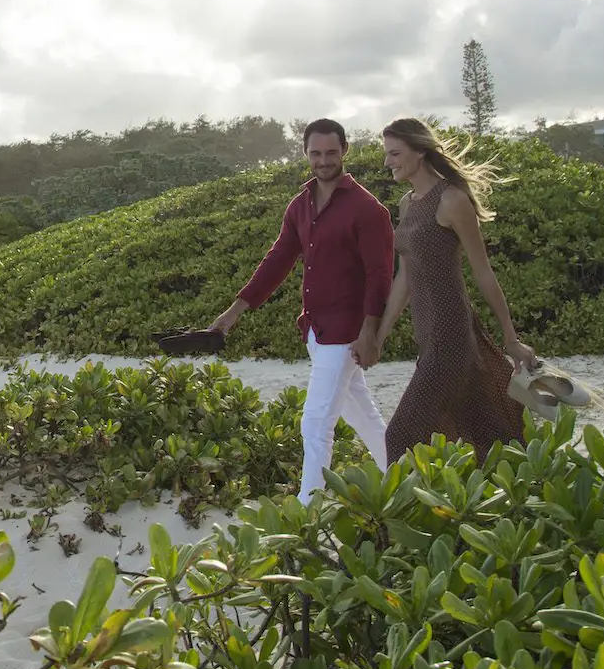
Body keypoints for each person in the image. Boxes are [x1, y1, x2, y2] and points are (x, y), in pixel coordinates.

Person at [207, 119, 392, 504]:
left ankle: (309, 512)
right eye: (315, 153)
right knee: (363, 416)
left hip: (345, 333)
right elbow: (277, 261)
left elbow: (380, 275)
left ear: (345, 150)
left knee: (315, 424)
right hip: (315, 331)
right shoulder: (301, 205)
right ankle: (406, 473)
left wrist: (371, 332)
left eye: (330, 152)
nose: (323, 161)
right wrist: (234, 311)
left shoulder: (367, 210)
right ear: (305, 153)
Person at [354, 117, 533, 461]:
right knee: (489, 437)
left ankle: (406, 512)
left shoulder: (451, 200)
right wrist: (379, 335)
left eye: (394, 153)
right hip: (430, 337)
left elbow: (483, 274)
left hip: (451, 338)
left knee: (401, 437)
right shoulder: (408, 204)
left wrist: (511, 339)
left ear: (419, 152)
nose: (387, 162)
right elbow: (404, 280)